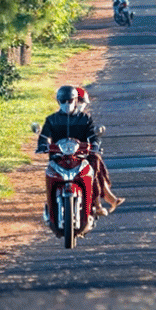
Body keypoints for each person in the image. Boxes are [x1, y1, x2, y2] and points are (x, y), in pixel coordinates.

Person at [38, 85, 122, 214]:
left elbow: (93, 136)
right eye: (63, 101)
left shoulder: (85, 119)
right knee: (50, 175)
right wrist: (43, 145)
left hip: (80, 156)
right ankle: (51, 207)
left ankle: (96, 203)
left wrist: (94, 145)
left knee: (94, 163)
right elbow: (44, 136)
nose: (67, 104)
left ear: (75, 100)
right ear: (58, 101)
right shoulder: (52, 119)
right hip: (58, 157)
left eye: (70, 100)